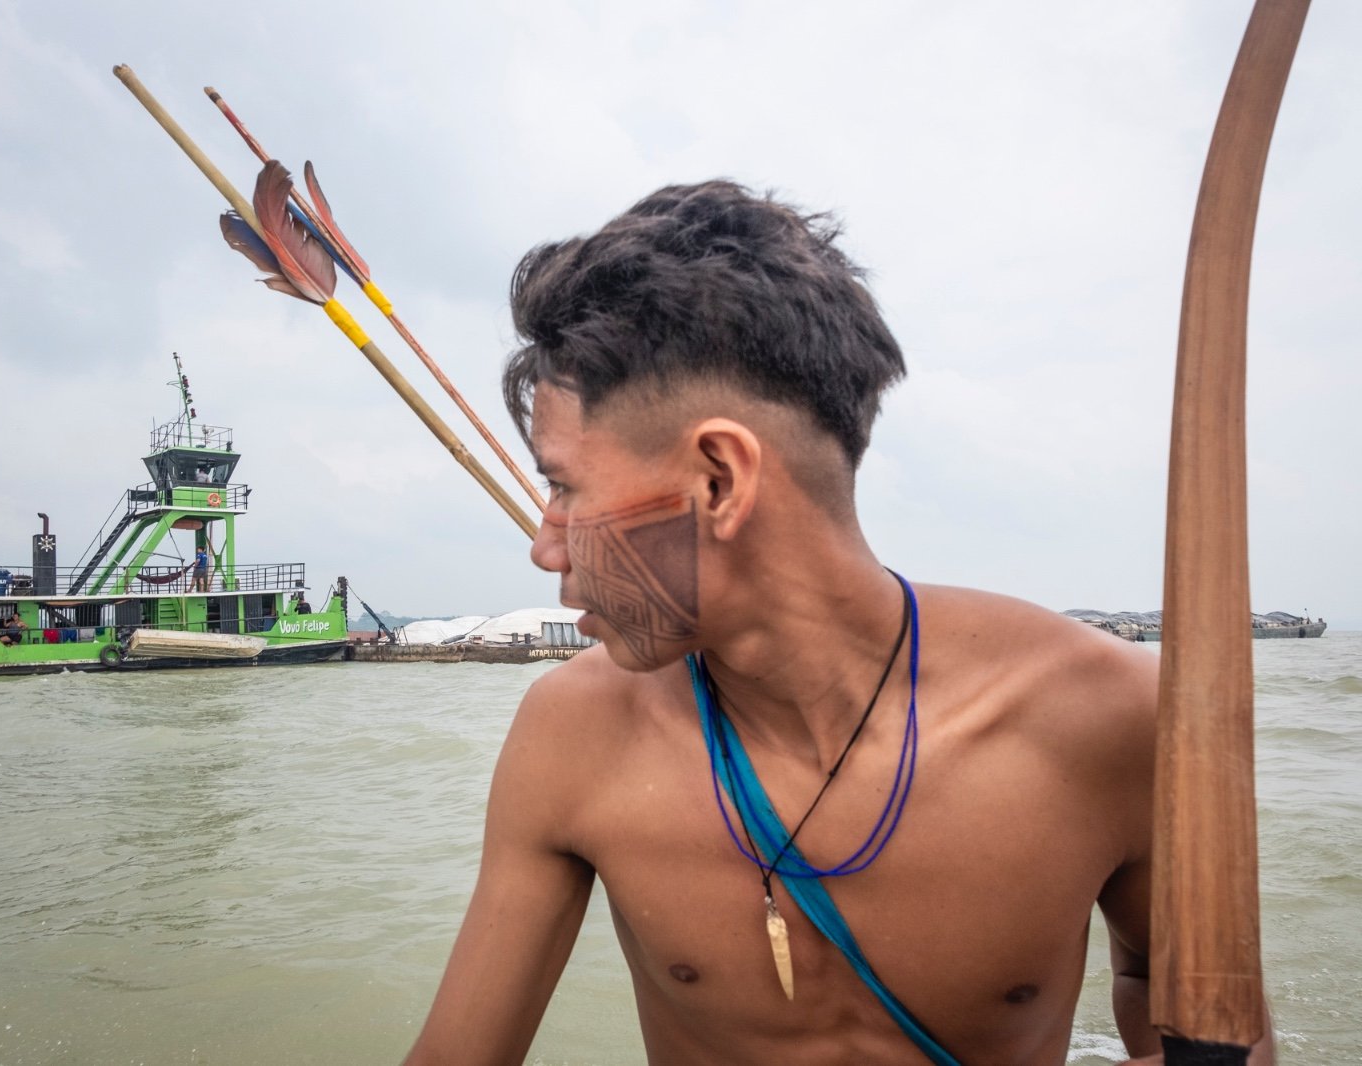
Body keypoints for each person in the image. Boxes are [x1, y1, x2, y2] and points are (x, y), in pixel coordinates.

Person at [402, 182, 1272, 1064]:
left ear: (718, 481)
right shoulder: (573, 734)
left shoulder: (1108, 718)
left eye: (563, 487)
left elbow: (1203, 1021)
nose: (547, 549)